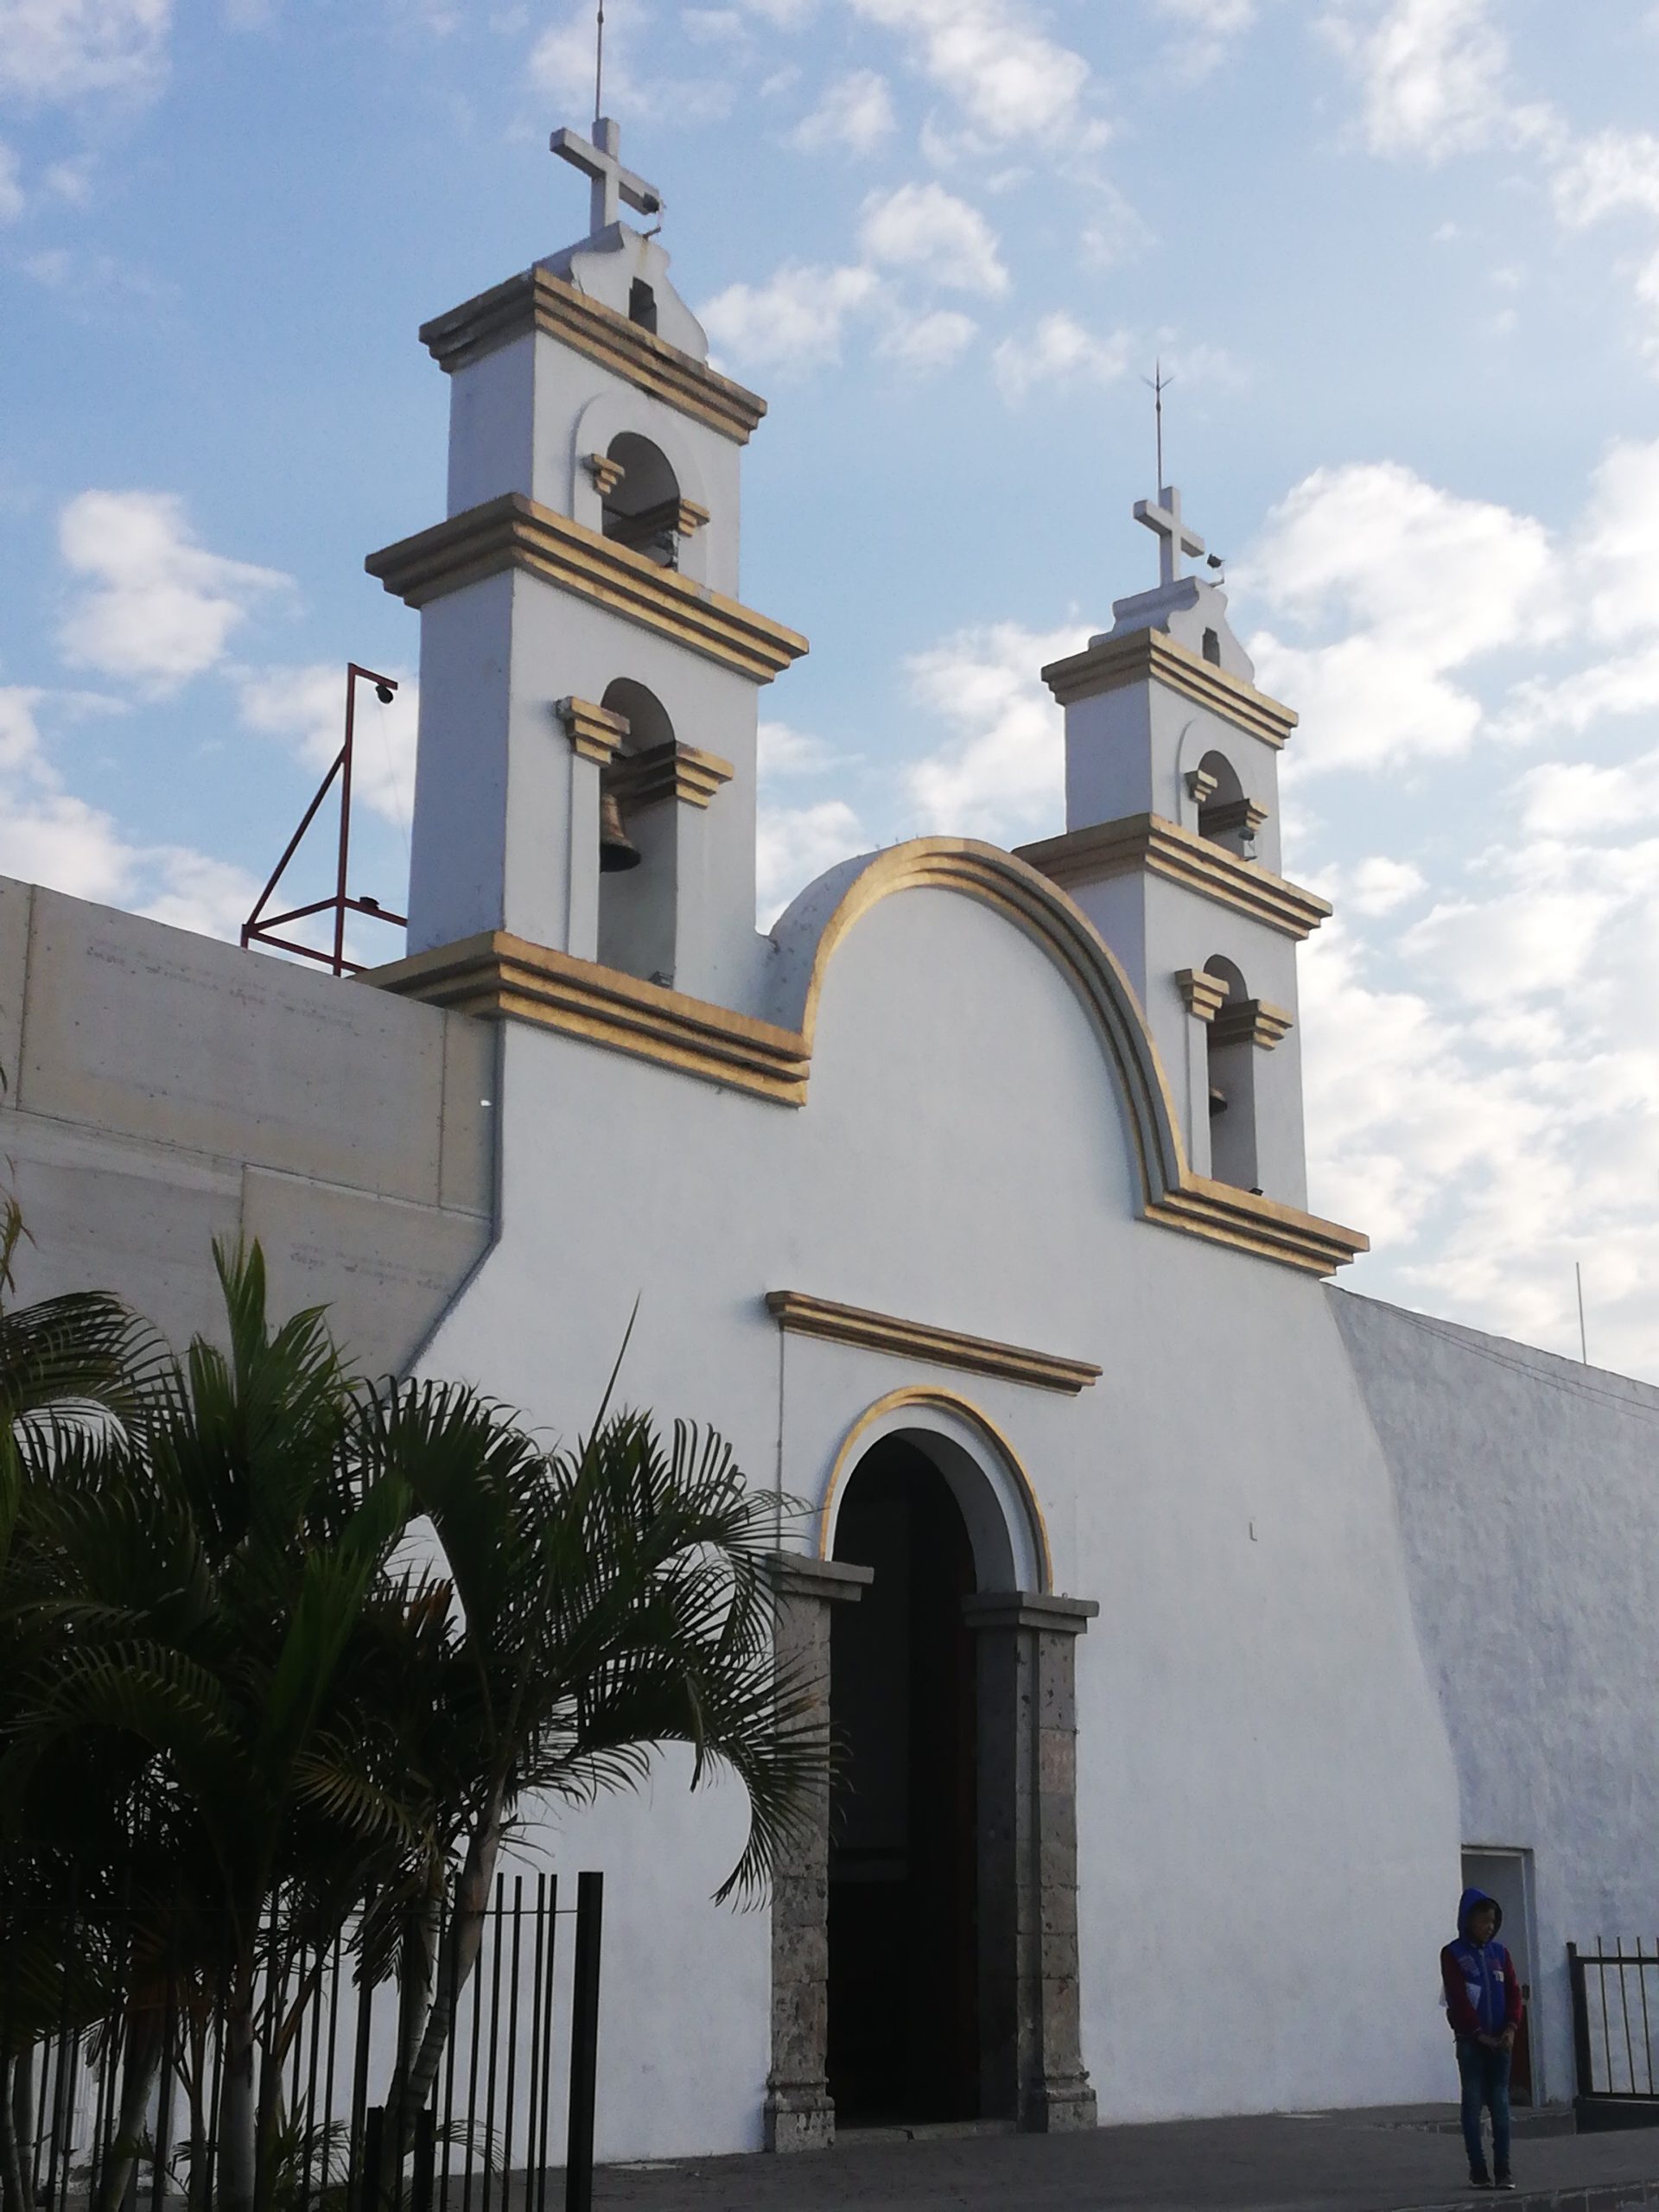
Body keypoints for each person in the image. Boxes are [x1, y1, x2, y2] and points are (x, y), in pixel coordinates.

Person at [1442, 1886, 1524, 2190]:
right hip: (1471, 2044)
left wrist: (1512, 2027)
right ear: (1468, 1920)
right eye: (1482, 1920)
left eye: (1492, 1921)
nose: (1488, 1927)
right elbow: (1457, 1999)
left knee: (1501, 2106)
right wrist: (1477, 2034)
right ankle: (1478, 2169)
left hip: (1501, 2043)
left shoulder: (1500, 1953)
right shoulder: (1453, 1954)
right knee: (1473, 2104)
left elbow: (1513, 1992)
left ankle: (1503, 2169)